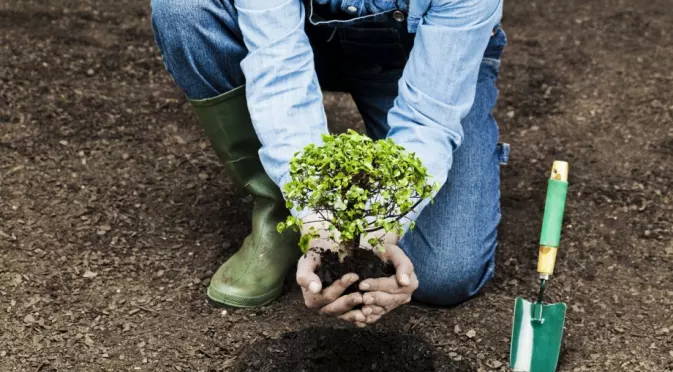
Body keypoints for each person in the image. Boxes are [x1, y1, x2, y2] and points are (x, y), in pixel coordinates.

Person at [150, 0, 509, 327]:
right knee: (183, 8)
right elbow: (280, 75)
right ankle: (280, 212)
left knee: (445, 274)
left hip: (418, 54)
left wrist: (383, 225)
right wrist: (315, 216)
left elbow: (427, 117)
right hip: (299, 36)